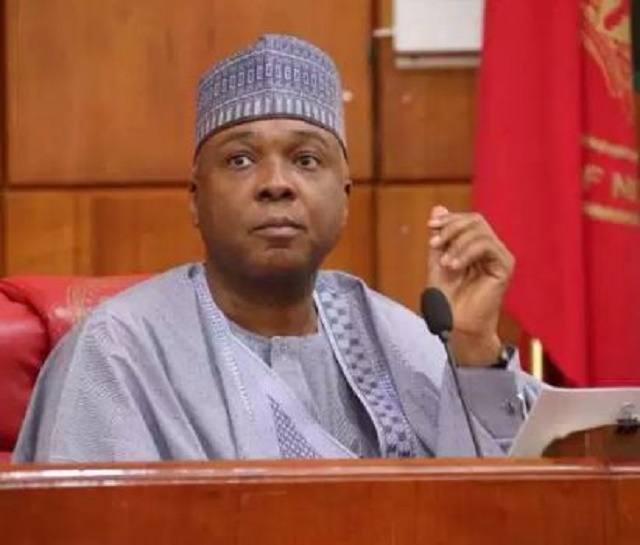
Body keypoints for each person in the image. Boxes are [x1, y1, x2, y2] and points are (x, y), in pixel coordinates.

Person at [13, 34, 542, 463]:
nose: (276, 184)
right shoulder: (116, 353)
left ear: (345, 198)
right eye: (240, 160)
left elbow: (506, 505)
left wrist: (473, 345)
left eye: (306, 160)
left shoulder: (392, 333)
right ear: (196, 199)